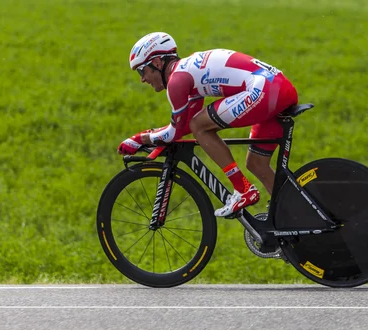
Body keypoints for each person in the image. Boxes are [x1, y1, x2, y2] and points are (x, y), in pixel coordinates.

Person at [117, 32, 299, 217]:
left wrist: (140, 138)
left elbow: (181, 130)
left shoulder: (177, 81)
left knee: (200, 125)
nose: (142, 79)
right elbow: (184, 126)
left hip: (264, 89)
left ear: (157, 63)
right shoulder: (188, 71)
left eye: (142, 71)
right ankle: (296, 217)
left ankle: (243, 190)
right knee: (257, 163)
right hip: (278, 87)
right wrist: (154, 135)